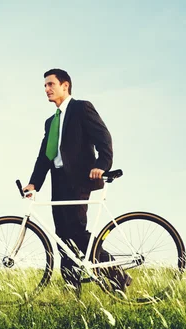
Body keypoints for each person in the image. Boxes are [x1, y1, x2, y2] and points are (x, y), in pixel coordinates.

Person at [22, 68, 131, 295]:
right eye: (45, 86)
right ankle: (72, 289)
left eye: (51, 84)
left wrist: (101, 165)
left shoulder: (81, 108)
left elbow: (104, 138)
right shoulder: (50, 122)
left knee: (76, 231)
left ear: (65, 86)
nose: (46, 89)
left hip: (80, 180)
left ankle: (118, 274)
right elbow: (44, 156)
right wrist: (34, 183)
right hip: (58, 181)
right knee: (62, 235)